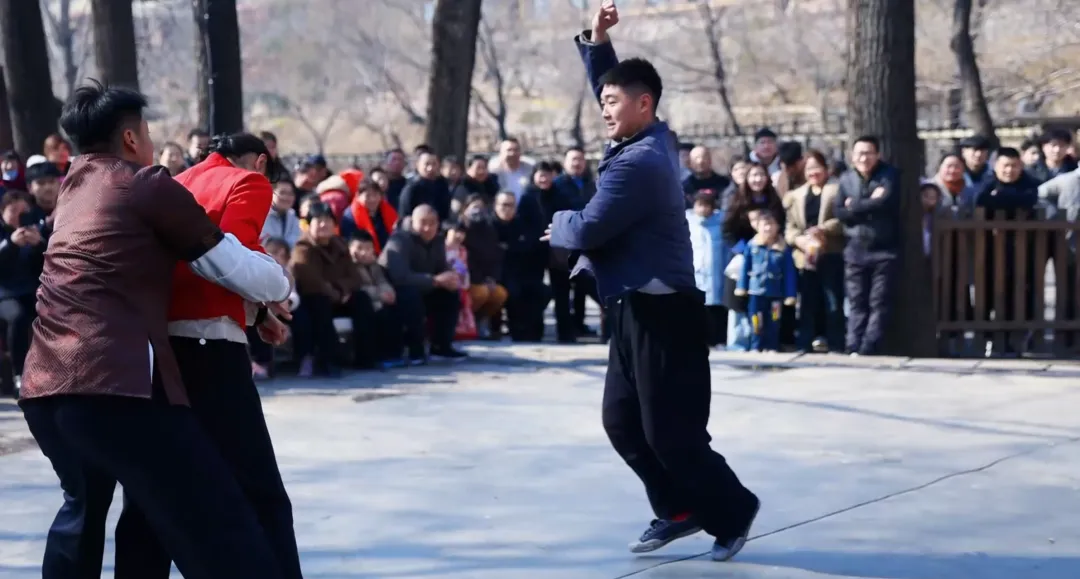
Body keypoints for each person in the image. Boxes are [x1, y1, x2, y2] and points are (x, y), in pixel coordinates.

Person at [18, 82, 291, 579]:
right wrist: (279, 284)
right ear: (130, 138)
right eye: (146, 132)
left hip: (45, 386)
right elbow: (225, 262)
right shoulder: (144, 183)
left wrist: (254, 315)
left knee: (85, 517)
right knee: (215, 512)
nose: (149, 142)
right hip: (114, 388)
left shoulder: (72, 191)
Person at [544, 2, 759, 562]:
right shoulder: (653, 137)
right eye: (603, 103)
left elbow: (586, 229)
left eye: (612, 103)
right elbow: (617, 86)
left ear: (645, 105)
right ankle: (679, 509)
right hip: (631, 306)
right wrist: (598, 42)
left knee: (672, 432)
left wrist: (559, 222)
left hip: (664, 314)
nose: (604, 111)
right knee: (622, 421)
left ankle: (733, 509)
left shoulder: (641, 162)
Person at [112, 132, 303, 579]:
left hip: (159, 347)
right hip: (211, 345)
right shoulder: (248, 181)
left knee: (153, 489)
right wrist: (276, 286)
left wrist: (256, 314)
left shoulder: (176, 182)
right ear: (260, 161)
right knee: (258, 488)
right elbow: (234, 254)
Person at [835, 135, 901, 356]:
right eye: (859, 154)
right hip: (855, 248)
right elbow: (839, 212)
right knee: (856, 301)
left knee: (879, 301)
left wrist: (854, 206)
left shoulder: (889, 175)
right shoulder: (846, 179)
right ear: (852, 156)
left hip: (884, 249)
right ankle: (852, 345)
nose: (864, 158)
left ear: (877, 155)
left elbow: (884, 203)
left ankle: (868, 347)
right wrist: (868, 204)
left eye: (868, 153)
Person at [379, 204, 466, 363]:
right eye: (423, 223)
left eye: (432, 223)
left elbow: (441, 267)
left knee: (450, 294)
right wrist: (434, 280)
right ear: (413, 222)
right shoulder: (400, 240)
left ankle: (441, 346)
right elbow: (400, 277)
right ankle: (415, 349)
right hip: (396, 290)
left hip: (426, 286)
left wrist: (450, 277)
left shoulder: (438, 240)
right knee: (411, 295)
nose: (428, 228)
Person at [734, 210, 797, 352]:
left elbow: (789, 273)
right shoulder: (752, 246)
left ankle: (771, 346)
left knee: (774, 320)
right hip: (756, 291)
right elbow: (745, 268)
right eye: (764, 225)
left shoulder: (783, 248)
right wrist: (742, 286)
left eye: (771, 225)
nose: (768, 228)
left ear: (777, 227)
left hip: (775, 292)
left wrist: (790, 294)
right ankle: (756, 345)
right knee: (756, 320)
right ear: (758, 227)